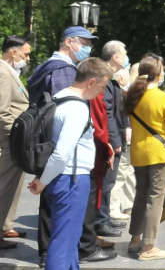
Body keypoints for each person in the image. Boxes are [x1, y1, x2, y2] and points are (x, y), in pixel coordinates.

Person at [27, 27, 116, 265]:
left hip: (64, 178)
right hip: (72, 178)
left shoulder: (59, 97)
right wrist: (42, 182)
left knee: (67, 238)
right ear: (90, 82)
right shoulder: (77, 107)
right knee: (64, 241)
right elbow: (63, 152)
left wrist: (43, 180)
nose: (100, 93)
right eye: (100, 87)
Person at [124, 55, 165, 261]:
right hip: (159, 153)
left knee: (140, 195)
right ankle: (149, 247)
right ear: (159, 74)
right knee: (154, 199)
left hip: (138, 153)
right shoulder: (163, 97)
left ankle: (135, 240)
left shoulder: (132, 95)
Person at [96, 41, 130, 240]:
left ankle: (104, 217)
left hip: (115, 134)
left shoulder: (111, 78)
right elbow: (106, 112)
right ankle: (100, 221)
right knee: (106, 181)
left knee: (109, 181)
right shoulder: (104, 77)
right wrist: (114, 139)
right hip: (109, 138)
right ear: (115, 57)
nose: (126, 57)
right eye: (124, 54)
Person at [0, 35, 30, 250]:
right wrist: (15, 136)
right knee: (3, 188)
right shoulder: (2, 72)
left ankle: (4, 227)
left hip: (10, 141)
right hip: (8, 141)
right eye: (26, 54)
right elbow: (2, 112)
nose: (27, 59)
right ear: (14, 52)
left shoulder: (9, 72)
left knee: (9, 187)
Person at [109, 67, 135, 221]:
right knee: (120, 174)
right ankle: (114, 208)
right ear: (121, 80)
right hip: (124, 137)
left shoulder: (122, 94)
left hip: (127, 137)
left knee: (128, 172)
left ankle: (127, 204)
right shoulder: (119, 94)